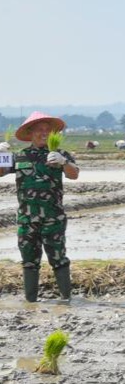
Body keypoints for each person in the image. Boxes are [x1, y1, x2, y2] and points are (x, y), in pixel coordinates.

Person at [1, 112, 79, 302]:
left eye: (47, 130)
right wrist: (1, 155)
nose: (44, 133)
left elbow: (74, 174)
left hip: (54, 218)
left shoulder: (60, 155)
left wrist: (64, 162)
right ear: (31, 133)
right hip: (27, 219)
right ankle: (31, 301)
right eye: (39, 130)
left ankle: (66, 299)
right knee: (29, 260)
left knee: (58, 258)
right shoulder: (20, 156)